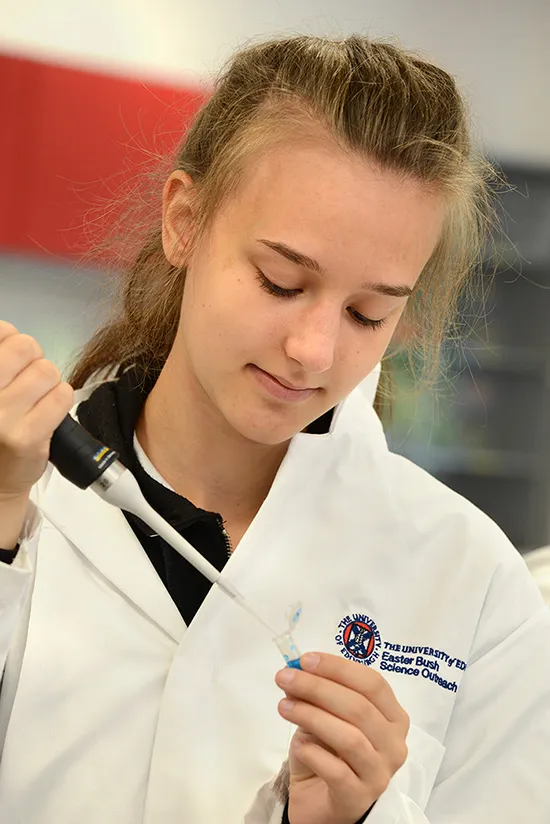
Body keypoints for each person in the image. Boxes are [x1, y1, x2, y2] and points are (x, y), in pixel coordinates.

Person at [0, 34, 549, 824]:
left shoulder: (472, 584)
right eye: (281, 281)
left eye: (369, 313)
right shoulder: (27, 492)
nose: (315, 351)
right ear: (185, 222)